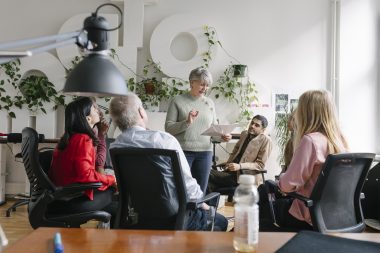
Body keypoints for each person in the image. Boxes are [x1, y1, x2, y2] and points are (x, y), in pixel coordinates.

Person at [109, 93, 228, 231]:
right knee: (221, 222)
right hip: (176, 218)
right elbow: (188, 185)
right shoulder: (163, 140)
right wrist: (205, 206)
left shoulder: (116, 146)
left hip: (140, 217)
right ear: (141, 112)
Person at [259, 90, 349, 230]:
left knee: (263, 205)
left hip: (307, 215)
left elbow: (287, 185)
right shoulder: (341, 140)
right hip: (334, 215)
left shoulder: (311, 141)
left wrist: (281, 178)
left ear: (305, 112)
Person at [48, 97, 117, 224]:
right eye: (94, 108)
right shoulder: (83, 139)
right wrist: (111, 180)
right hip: (71, 202)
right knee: (114, 190)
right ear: (88, 118)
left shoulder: (68, 138)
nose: (98, 110)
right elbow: (87, 176)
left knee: (114, 208)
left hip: (59, 198)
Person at [165, 67, 231, 193]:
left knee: (201, 189)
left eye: (207, 85)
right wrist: (187, 122)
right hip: (183, 152)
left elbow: (213, 130)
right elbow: (168, 128)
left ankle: (198, 213)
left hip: (205, 153)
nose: (205, 88)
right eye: (202, 84)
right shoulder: (177, 101)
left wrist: (221, 137)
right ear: (191, 83)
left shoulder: (210, 103)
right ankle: (183, 213)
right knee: (181, 189)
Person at [208, 115, 272, 192]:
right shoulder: (244, 134)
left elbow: (260, 165)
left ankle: (205, 203)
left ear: (263, 130)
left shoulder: (266, 141)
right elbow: (236, 151)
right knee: (208, 183)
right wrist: (228, 163)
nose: (252, 126)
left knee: (206, 172)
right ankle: (207, 203)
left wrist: (240, 166)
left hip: (244, 177)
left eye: (257, 125)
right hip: (230, 173)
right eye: (252, 123)